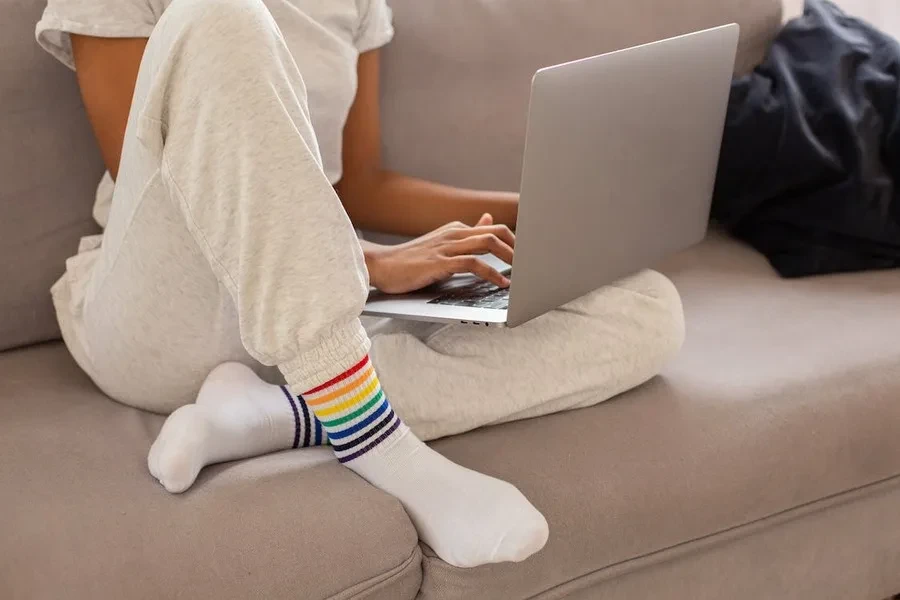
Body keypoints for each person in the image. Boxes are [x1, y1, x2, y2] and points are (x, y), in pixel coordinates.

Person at [36, 0, 685, 569]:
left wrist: (550, 207)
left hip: (306, 304)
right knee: (221, 12)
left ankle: (276, 415)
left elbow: (359, 184)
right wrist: (366, 263)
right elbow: (161, 180)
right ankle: (378, 440)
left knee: (646, 307)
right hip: (170, 306)